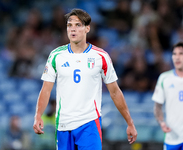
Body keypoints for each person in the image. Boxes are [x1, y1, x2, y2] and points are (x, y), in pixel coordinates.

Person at [33, 8, 137, 150]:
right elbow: (46, 89)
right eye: (69, 25)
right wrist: (38, 115)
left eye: (78, 25)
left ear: (87, 28)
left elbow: (115, 92)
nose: (72, 29)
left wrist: (129, 122)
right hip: (63, 125)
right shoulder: (56, 56)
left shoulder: (101, 57)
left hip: (89, 124)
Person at [152, 42, 183, 149]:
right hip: (172, 137)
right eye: (174, 54)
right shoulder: (164, 78)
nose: (177, 57)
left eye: (181, 54)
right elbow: (157, 106)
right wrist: (161, 122)